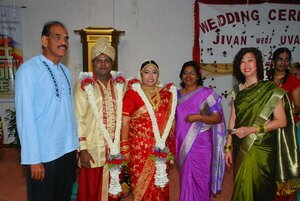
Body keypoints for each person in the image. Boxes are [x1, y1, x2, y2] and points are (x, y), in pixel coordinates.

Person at [225, 47, 300, 201]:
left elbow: (282, 121)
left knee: (261, 187)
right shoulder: (236, 92)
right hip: (241, 144)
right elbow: (233, 119)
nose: (246, 64)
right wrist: (228, 146)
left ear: (258, 64)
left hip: (263, 147)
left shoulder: (270, 89)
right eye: (242, 61)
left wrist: (252, 129)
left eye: (250, 60)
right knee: (241, 186)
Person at [15, 21, 79, 201]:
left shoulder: (65, 71)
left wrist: (75, 147)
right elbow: (25, 118)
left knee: (63, 196)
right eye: (57, 37)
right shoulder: (29, 70)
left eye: (65, 38)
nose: (63, 42)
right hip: (43, 155)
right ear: (44, 41)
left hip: (66, 151)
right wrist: (33, 159)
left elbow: (68, 114)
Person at [74, 37, 127, 201]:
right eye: (98, 60)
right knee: (91, 192)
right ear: (92, 63)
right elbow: (78, 118)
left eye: (107, 60)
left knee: (113, 189)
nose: (103, 64)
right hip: (92, 150)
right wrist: (82, 149)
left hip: (115, 150)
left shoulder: (121, 84)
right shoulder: (83, 85)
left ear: (112, 63)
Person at [121, 60, 177, 201]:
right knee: (140, 185)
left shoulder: (167, 94)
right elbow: (125, 122)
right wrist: (124, 146)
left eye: (154, 72)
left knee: (160, 183)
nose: (150, 76)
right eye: (147, 72)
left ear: (158, 75)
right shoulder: (132, 94)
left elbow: (171, 122)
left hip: (160, 148)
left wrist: (171, 146)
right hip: (138, 148)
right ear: (141, 75)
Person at [175, 61, 226, 201]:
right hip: (181, 143)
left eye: (192, 73)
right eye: (185, 73)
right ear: (181, 76)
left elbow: (218, 118)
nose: (188, 75)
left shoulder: (205, 93)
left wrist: (199, 117)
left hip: (201, 144)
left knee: (201, 180)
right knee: (186, 179)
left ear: (198, 76)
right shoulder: (176, 95)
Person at [268, 48, 300, 201]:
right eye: (280, 59)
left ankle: (285, 195)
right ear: (273, 61)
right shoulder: (265, 80)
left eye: (287, 59)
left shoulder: (293, 81)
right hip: (268, 127)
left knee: (284, 162)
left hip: (287, 129)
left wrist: (284, 108)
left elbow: (299, 106)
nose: (283, 62)